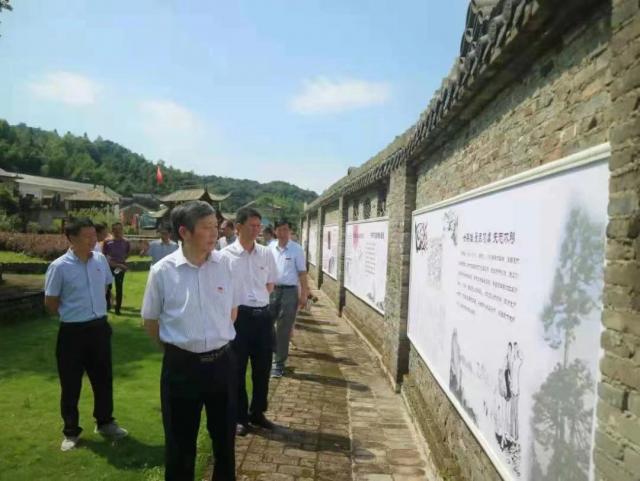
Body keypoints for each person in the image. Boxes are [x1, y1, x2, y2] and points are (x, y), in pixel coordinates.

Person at [141, 201, 239, 481]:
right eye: (206, 227)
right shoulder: (163, 271)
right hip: (181, 368)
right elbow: (150, 320)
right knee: (180, 444)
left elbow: (232, 311)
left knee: (225, 440)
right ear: (184, 232)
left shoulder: (226, 265)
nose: (214, 233)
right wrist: (178, 349)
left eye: (216, 226)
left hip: (222, 364)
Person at [44, 218, 128, 452]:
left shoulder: (100, 260)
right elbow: (50, 302)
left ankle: (105, 422)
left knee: (103, 379)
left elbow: (106, 286)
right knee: (70, 383)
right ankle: (71, 431)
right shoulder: (59, 267)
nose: (94, 240)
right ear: (72, 238)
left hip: (99, 328)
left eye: (94, 235)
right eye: (87, 236)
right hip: (72, 332)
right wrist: (73, 313)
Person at [221, 207, 278, 436]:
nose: (256, 230)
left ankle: (258, 412)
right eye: (252, 225)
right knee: (236, 369)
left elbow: (270, 284)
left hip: (263, 317)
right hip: (238, 318)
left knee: (263, 368)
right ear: (238, 227)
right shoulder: (225, 256)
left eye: (258, 226)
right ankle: (240, 417)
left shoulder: (266, 253)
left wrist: (258, 301)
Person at [269, 219, 309, 378]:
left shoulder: (296, 249)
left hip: (289, 292)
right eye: (279, 229)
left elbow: (302, 273)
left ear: (290, 231)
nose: (283, 233)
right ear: (275, 231)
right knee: (266, 325)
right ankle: (270, 355)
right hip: (271, 290)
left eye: (285, 229)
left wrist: (304, 293)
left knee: (284, 329)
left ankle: (278, 364)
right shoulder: (270, 247)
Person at [103, 222, 130, 315]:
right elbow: (104, 255)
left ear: (122, 230)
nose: (117, 231)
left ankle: (117, 309)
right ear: (112, 230)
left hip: (120, 268)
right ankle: (107, 305)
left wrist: (121, 262)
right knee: (108, 286)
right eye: (115, 229)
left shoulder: (126, 242)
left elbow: (127, 253)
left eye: (119, 229)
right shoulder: (107, 242)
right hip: (109, 267)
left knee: (119, 287)